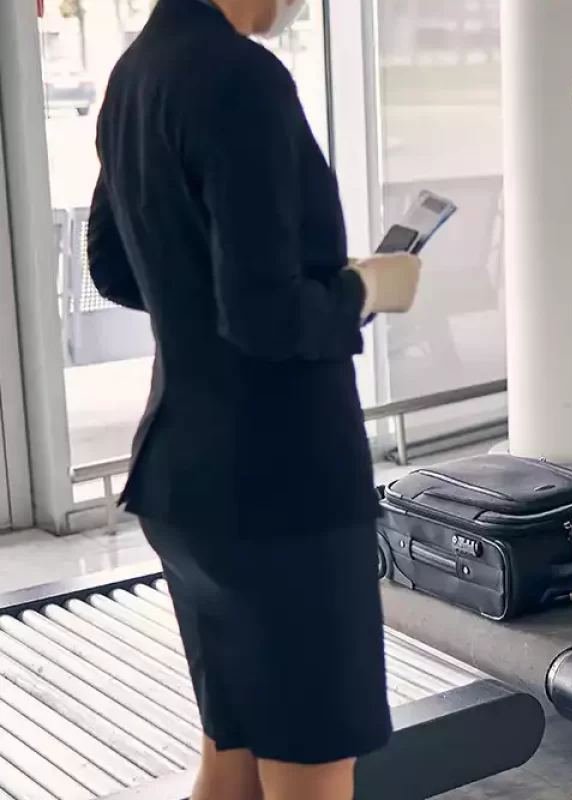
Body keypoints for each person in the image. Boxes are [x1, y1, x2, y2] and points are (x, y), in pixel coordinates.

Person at [86, 1, 421, 798]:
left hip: (186, 485)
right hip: (282, 490)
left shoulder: (135, 74)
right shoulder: (243, 78)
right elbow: (267, 316)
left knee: (230, 764)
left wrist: (215, 292)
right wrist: (361, 288)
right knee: (308, 773)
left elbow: (113, 267)